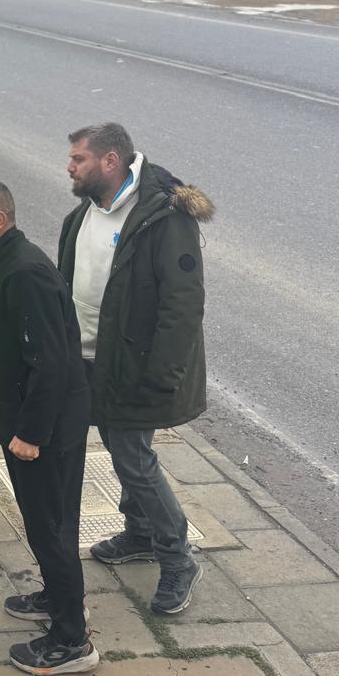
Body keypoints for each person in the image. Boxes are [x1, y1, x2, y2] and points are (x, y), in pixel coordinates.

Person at [60, 123, 212, 615]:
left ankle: (178, 558)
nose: (70, 167)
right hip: (90, 358)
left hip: (136, 366)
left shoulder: (164, 217)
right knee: (122, 449)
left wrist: (162, 375)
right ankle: (141, 532)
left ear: (111, 161)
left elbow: (182, 304)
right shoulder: (86, 211)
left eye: (79, 159)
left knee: (133, 459)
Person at [0, 179, 98, 676]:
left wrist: (32, 433)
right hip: (26, 424)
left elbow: (51, 363)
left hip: (46, 432)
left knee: (52, 528)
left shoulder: (24, 273)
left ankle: (72, 640)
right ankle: (57, 597)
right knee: (43, 524)